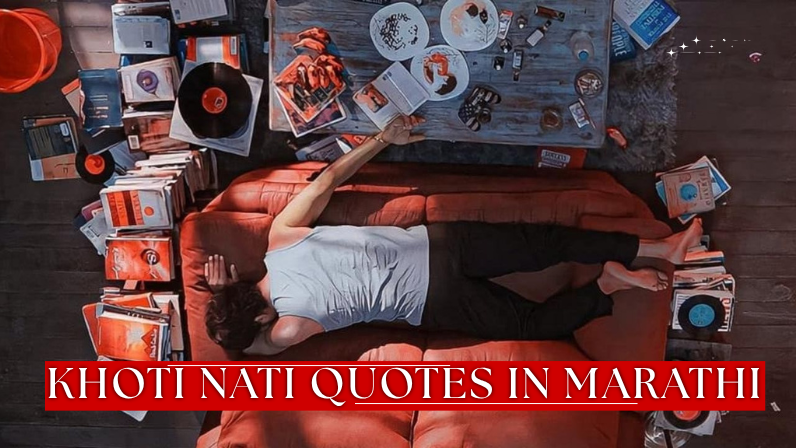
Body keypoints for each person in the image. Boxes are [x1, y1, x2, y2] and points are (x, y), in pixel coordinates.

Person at [204, 115, 703, 355]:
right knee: (550, 240)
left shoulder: (286, 328)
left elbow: (252, 352)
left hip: (432, 299)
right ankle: (658, 246)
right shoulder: (281, 236)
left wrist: (230, 321)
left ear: (261, 317)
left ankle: (607, 285)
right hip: (438, 243)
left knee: (530, 325)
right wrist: (383, 138)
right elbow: (327, 181)